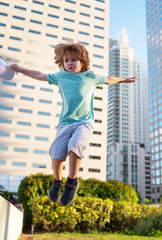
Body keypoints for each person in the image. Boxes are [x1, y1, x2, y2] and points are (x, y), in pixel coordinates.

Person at [10, 43, 137, 206]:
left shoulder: (90, 76)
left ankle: (71, 182)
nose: (70, 63)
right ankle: (57, 182)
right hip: (65, 123)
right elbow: (39, 74)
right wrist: (18, 68)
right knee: (56, 153)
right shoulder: (60, 76)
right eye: (66, 60)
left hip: (84, 122)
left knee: (75, 146)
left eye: (74, 60)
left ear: (83, 62)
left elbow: (109, 79)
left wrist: (124, 80)